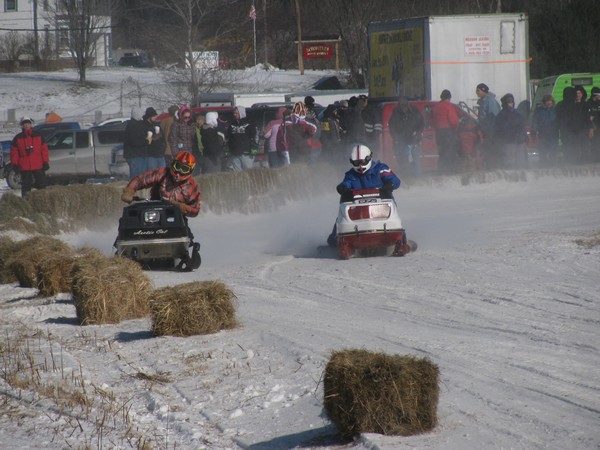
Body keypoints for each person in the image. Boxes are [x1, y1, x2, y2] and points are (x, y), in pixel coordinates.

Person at [326, 144, 401, 247]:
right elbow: (347, 183)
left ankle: (401, 238)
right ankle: (334, 241)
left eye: (362, 162)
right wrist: (342, 187)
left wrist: (390, 184)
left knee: (393, 215)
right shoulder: (351, 175)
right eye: (356, 163)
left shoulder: (381, 169)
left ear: (368, 158)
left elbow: (395, 180)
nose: (360, 166)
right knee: (341, 217)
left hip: (381, 204)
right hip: (359, 207)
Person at [121, 151, 201, 218]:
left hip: (176, 217)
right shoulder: (162, 173)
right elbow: (140, 179)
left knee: (187, 234)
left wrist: (185, 208)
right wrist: (129, 191)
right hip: (153, 211)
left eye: (184, 169)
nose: (179, 171)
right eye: (178, 166)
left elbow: (196, 210)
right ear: (173, 164)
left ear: (190, 170)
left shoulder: (192, 186)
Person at [10, 116, 49, 197]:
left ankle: (44, 200)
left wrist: (45, 162)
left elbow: (44, 150)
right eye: (24, 124)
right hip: (25, 166)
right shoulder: (17, 138)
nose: (26, 125)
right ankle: (25, 202)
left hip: (38, 165)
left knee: (42, 184)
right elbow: (14, 153)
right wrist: (15, 164)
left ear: (31, 124)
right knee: (26, 186)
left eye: (28, 123)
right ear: (22, 125)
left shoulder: (39, 136)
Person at [388, 96, 424, 177]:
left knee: (416, 163)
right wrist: (397, 139)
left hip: (415, 142)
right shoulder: (395, 114)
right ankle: (406, 181)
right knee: (403, 164)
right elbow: (392, 128)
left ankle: (417, 180)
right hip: (402, 143)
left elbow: (421, 124)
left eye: (404, 105)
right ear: (399, 106)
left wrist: (417, 133)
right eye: (401, 106)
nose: (403, 108)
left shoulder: (415, 111)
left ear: (408, 104)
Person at [123, 106, 162, 179]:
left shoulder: (136, 124)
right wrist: (149, 139)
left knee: (141, 177)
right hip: (135, 155)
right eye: (140, 114)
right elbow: (135, 141)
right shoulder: (132, 125)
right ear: (136, 114)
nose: (141, 117)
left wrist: (151, 137)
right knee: (137, 178)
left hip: (139, 155)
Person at [430, 89, 461, 173]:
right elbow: (454, 121)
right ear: (449, 97)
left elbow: (431, 122)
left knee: (442, 152)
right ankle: (450, 171)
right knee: (450, 151)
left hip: (439, 133)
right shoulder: (449, 106)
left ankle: (442, 169)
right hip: (448, 132)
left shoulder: (435, 107)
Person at [493, 93, 528, 169]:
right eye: (508, 102)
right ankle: (510, 176)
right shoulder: (501, 115)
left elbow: (523, 126)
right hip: (508, 141)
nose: (510, 104)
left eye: (511, 102)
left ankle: (521, 176)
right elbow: (498, 128)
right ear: (505, 103)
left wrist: (524, 138)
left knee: (520, 160)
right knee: (509, 160)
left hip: (520, 140)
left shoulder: (518, 113)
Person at [475, 82, 501, 164]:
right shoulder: (483, 101)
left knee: (490, 148)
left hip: (491, 130)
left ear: (483, 91)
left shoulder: (490, 101)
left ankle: (492, 165)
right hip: (486, 129)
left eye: (478, 90)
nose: (477, 92)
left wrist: (489, 129)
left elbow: (493, 116)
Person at [226, 105, 257, 171]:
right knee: (237, 174)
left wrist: (254, 147)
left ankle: (249, 182)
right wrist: (227, 148)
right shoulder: (232, 125)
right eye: (234, 113)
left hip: (246, 153)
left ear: (241, 113)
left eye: (236, 113)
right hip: (235, 153)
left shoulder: (249, 124)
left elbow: (254, 136)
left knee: (248, 172)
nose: (234, 115)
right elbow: (228, 138)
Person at [532, 94, 559, 166]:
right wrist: (534, 131)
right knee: (542, 152)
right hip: (543, 135)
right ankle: (543, 167)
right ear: (544, 102)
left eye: (550, 101)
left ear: (552, 101)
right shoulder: (539, 110)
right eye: (547, 101)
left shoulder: (556, 110)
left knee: (553, 152)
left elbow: (560, 121)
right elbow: (535, 121)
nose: (548, 102)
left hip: (554, 135)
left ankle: (553, 167)